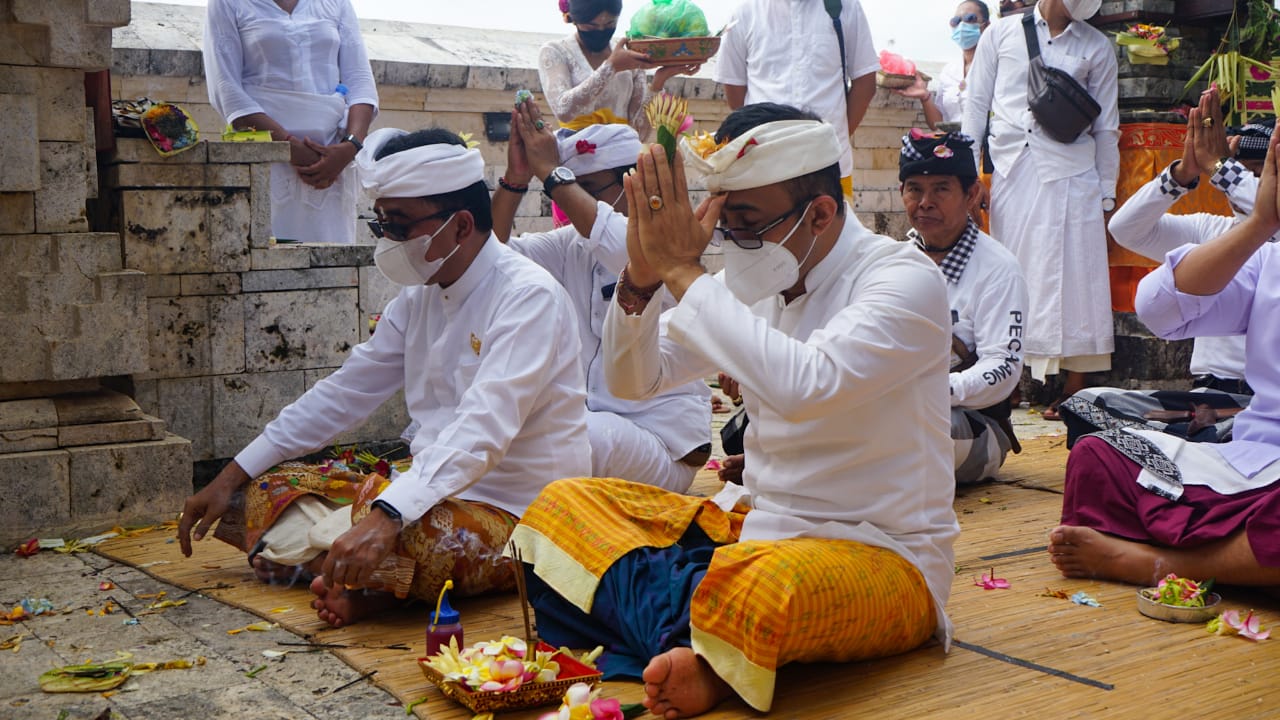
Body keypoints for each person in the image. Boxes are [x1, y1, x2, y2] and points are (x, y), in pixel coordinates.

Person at [509, 104, 959, 717]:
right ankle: (711, 640)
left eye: (745, 223)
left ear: (820, 213)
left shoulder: (903, 280)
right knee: (561, 504)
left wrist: (682, 271)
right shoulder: (764, 274)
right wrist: (640, 283)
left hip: (880, 557)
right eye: (723, 221)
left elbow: (805, 386)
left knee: (770, 585)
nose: (730, 242)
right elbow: (636, 380)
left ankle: (704, 637)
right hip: (754, 534)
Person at [176, 127, 591, 627]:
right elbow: (344, 392)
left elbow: (482, 429)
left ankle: (355, 578)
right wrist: (231, 475)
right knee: (264, 489)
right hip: (425, 488)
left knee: (420, 537)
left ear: (460, 225)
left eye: (399, 225)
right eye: (381, 224)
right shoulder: (419, 297)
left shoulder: (528, 298)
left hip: (519, 510)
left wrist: (387, 515)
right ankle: (353, 568)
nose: (388, 240)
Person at [1048, 129, 1280, 590]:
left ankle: (1156, 563)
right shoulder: (1254, 249)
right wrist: (1257, 227)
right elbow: (1157, 307)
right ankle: (1238, 560)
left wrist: (1228, 177)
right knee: (1098, 450)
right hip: (1249, 451)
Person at [491, 102, 712, 492]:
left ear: (635, 184)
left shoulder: (667, 243)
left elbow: (619, 240)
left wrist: (551, 173)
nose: (570, 204)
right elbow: (489, 255)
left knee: (573, 435)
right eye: (569, 189)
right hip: (593, 433)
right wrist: (516, 178)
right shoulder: (569, 246)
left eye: (587, 191)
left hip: (663, 448)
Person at [1061, 92, 1273, 446]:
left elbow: (1272, 215)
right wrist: (1181, 174)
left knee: (1235, 434)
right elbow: (1125, 229)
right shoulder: (1210, 231)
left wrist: (1220, 166)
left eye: (1259, 175)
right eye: (1242, 170)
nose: (1245, 184)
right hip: (1209, 396)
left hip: (1266, 402)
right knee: (1089, 405)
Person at [961, 0, 1119, 419]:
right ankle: (1005, 377)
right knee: (1012, 272)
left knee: (1077, 275)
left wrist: (1107, 197)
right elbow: (976, 106)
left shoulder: (1096, 45)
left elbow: (1106, 129)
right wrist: (967, 176)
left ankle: (1075, 385)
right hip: (1013, 169)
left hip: (1073, 171)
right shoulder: (1000, 34)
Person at [899, 129, 1028, 484]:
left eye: (941, 189)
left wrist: (934, 392)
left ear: (972, 194)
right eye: (914, 189)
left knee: (922, 428)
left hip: (970, 424)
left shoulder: (1000, 269)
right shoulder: (892, 261)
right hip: (892, 407)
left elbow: (1003, 368)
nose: (925, 202)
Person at [203, 0, 378, 244]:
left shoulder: (335, 3)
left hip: (332, 164)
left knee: (330, 260)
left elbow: (360, 81)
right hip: (268, 158)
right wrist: (292, 148)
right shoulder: (228, 3)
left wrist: (349, 147)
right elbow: (226, 90)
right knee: (267, 253)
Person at [715, 0, 880, 197]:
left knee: (830, 224)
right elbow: (735, 89)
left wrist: (832, 137)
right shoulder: (744, 12)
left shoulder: (845, 7)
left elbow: (865, 83)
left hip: (829, 167)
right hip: (761, 169)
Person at [539, 0, 699, 141]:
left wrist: (659, 81)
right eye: (592, 26)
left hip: (621, 161)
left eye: (609, 24)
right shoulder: (556, 51)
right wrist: (611, 67)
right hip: (576, 156)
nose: (601, 30)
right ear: (573, 19)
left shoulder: (628, 53)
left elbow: (640, 133)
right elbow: (563, 110)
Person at [895, 1, 992, 130]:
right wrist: (925, 96)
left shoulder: (995, 66)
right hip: (954, 147)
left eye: (970, 19)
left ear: (986, 25)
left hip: (987, 147)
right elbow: (939, 125)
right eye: (955, 21)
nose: (962, 25)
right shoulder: (949, 72)